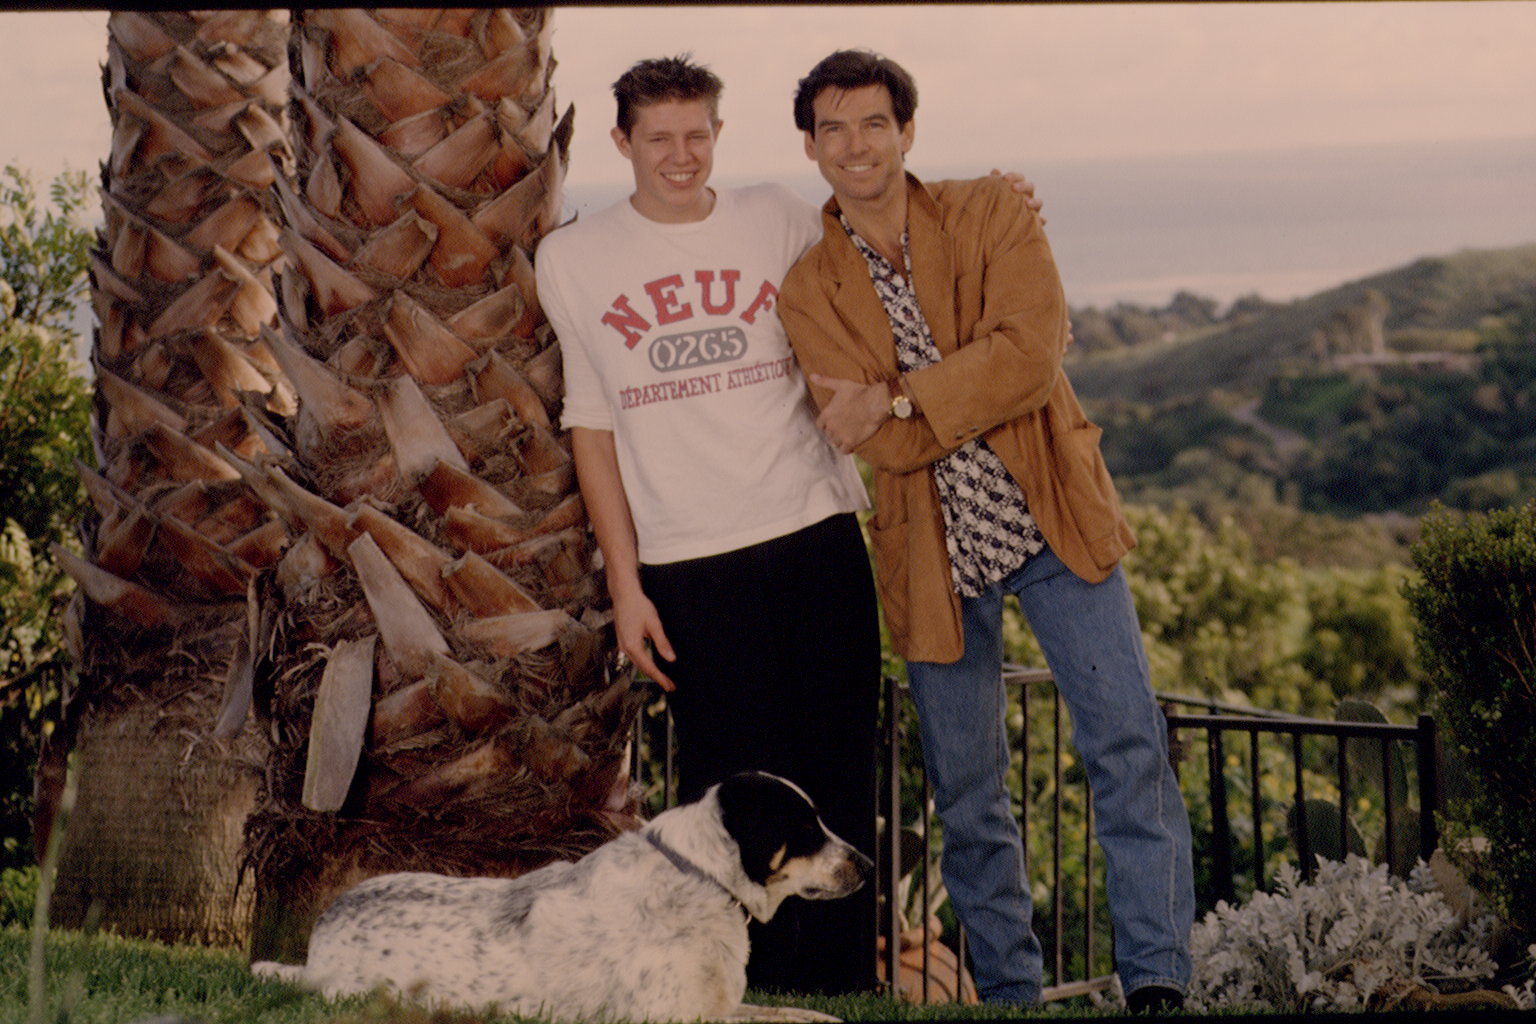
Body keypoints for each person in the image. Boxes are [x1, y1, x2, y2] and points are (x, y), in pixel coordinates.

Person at [777, 50, 1195, 1014]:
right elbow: (862, 438)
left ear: (906, 131)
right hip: (933, 559)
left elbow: (1032, 356)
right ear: (811, 144)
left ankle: (1158, 981)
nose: (855, 145)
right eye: (833, 128)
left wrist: (899, 397)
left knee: (1127, 746)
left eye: (873, 123)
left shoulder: (992, 211)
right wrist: (938, 393)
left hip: (1055, 519)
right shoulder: (809, 290)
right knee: (967, 795)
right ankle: (1009, 994)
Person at [532, 55, 880, 996]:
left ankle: (847, 989)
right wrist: (626, 585)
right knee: (732, 791)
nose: (680, 155)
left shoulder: (777, 216)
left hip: (813, 534)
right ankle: (742, 990)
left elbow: (890, 231)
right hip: (689, 566)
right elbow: (591, 425)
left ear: (717, 134)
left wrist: (1000, 204)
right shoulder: (575, 258)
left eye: (697, 134)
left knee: (842, 766)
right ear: (623, 143)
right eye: (659, 138)